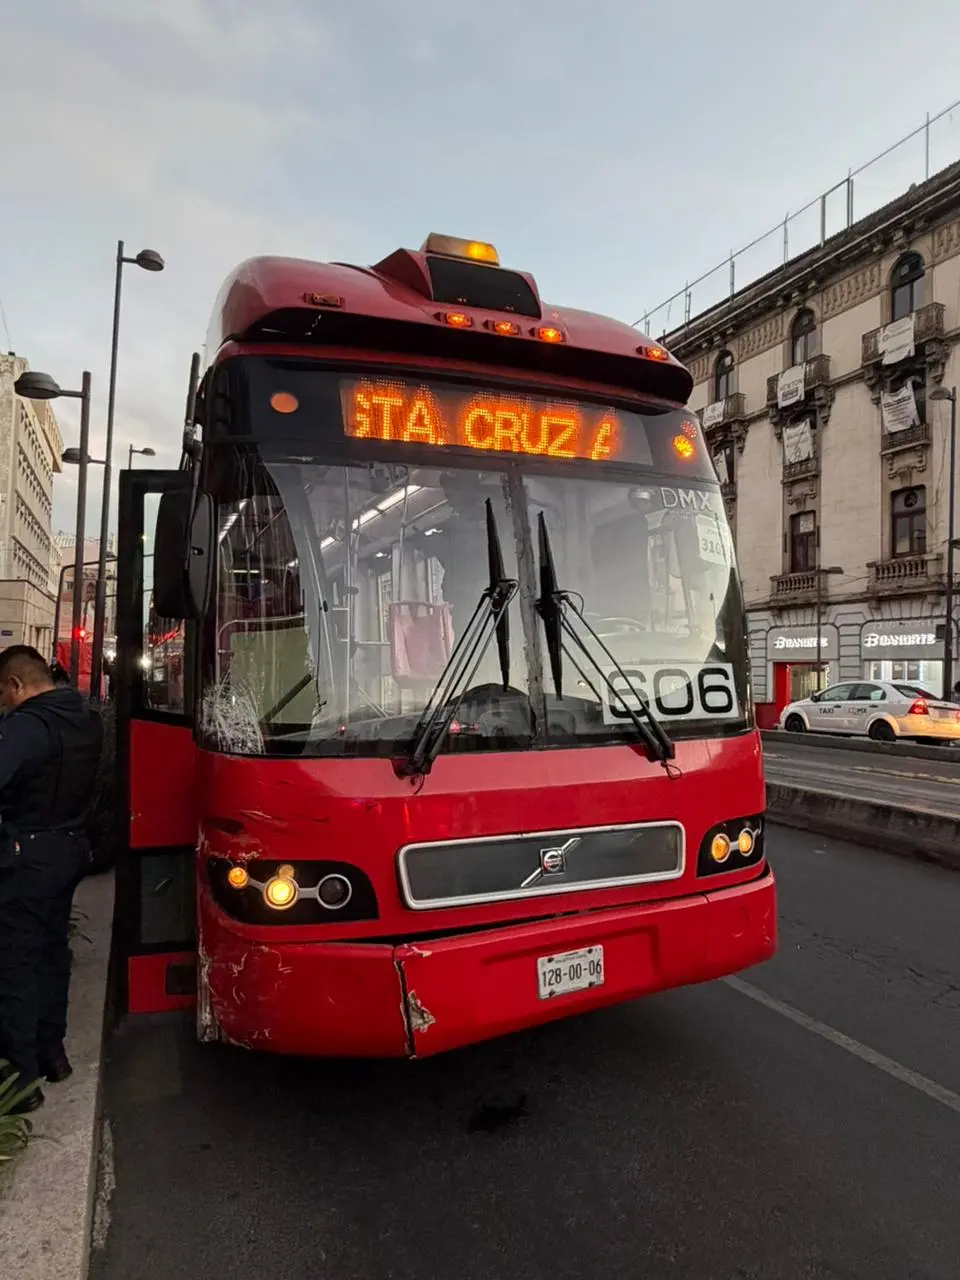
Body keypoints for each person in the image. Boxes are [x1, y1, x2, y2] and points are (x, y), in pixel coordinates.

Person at [0, 645, 102, 1112]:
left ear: (17, 685)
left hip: (29, 853)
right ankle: (52, 1055)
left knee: (15, 964)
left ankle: (20, 1083)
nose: (4, 702)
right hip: (71, 846)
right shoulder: (83, 715)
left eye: (3, 693)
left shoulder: (26, 725)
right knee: (51, 954)